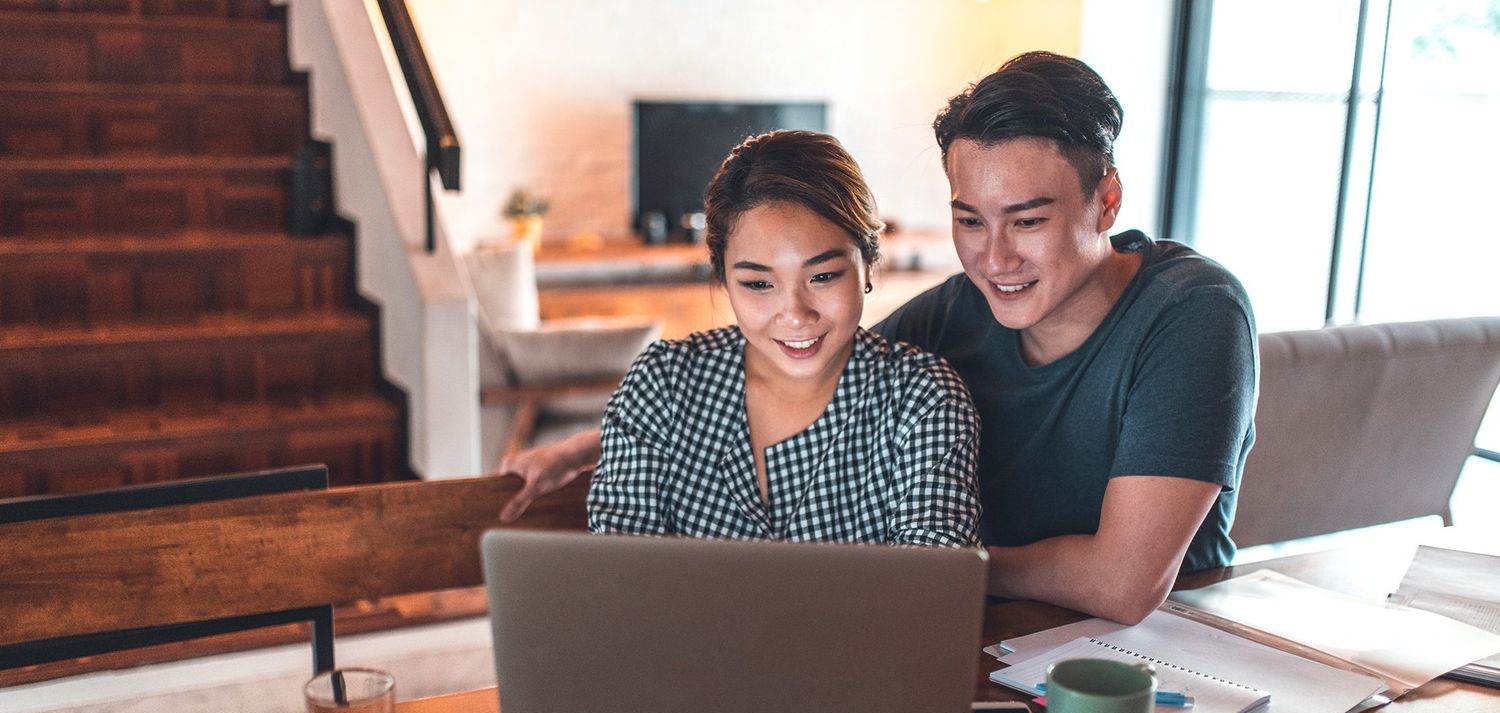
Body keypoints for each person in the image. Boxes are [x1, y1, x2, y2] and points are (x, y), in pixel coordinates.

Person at [501, 53, 1256, 623]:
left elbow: (1123, 585)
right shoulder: (961, 310)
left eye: (1027, 220)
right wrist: (581, 447)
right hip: (990, 638)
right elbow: (798, 361)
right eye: (969, 220)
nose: (995, 258)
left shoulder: (1192, 313)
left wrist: (942, 570)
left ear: (1106, 199)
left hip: (1161, 652)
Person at [585, 130, 981, 546]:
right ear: (723, 279)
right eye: (758, 284)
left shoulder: (922, 399)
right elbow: (622, 576)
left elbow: (934, 584)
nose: (794, 315)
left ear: (868, 263)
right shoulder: (661, 384)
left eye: (823, 276)